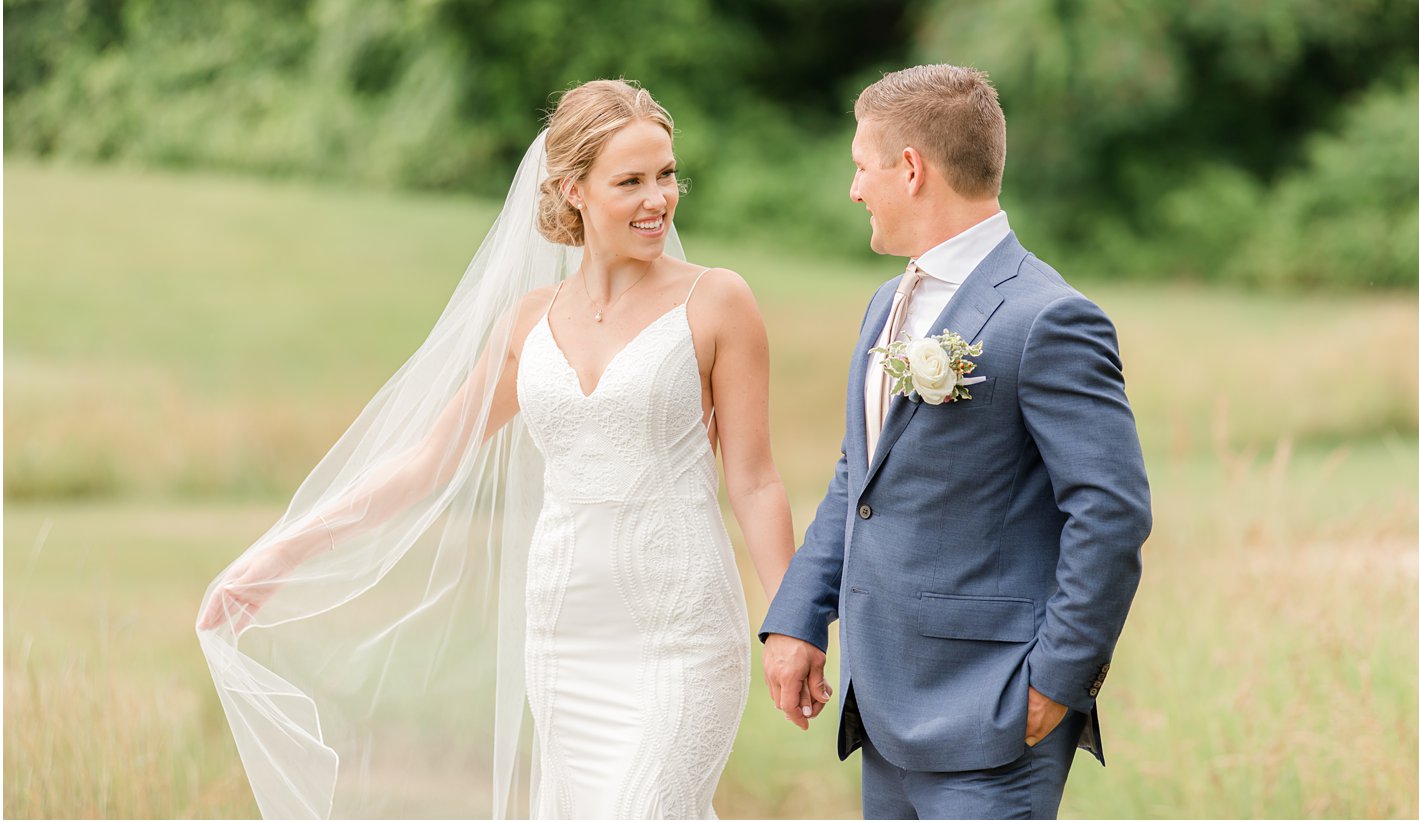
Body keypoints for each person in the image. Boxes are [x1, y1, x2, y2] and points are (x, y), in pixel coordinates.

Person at [196, 79, 796, 820]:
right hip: (566, 633)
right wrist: (278, 554)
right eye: (631, 180)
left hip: (682, 631)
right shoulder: (527, 323)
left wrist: (790, 620)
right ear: (573, 189)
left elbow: (757, 480)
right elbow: (426, 462)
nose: (659, 199)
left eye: (667, 174)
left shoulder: (717, 301)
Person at [759, 64, 1152, 820]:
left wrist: (1053, 685)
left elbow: (1111, 513)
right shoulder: (887, 302)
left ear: (910, 170)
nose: (853, 189)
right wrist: (800, 614)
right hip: (884, 709)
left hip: (994, 718)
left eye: (860, 166)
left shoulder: (1048, 318)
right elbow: (860, 476)